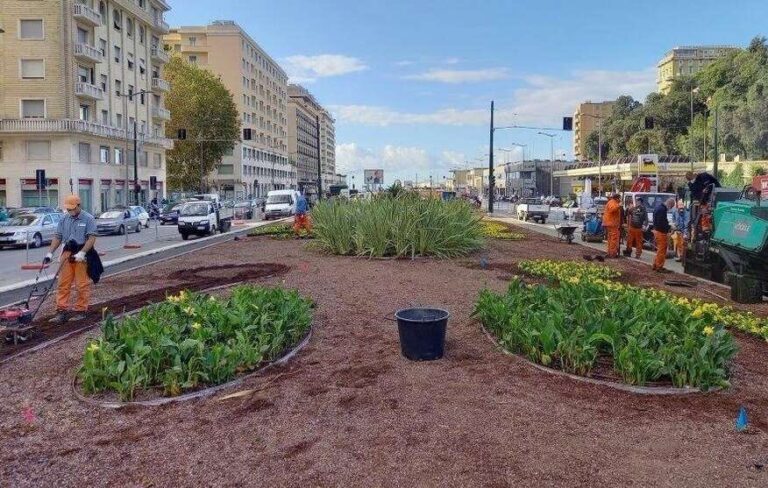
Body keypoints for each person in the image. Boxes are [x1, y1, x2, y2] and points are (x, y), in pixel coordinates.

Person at [44, 195, 98, 324]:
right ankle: (61, 311)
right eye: (68, 209)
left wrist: (82, 252)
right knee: (63, 283)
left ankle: (81, 310)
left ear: (79, 206)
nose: (70, 211)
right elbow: (58, 236)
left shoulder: (88, 219)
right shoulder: (64, 219)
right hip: (67, 253)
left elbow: (91, 238)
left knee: (81, 284)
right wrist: (50, 253)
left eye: (72, 209)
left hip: (81, 254)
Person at [652, 198, 676, 272]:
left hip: (657, 231)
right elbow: (661, 223)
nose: (670, 209)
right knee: (662, 251)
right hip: (661, 232)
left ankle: (655, 265)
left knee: (659, 250)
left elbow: (658, 221)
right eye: (671, 207)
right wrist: (670, 227)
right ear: (670, 204)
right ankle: (659, 266)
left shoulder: (658, 208)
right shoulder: (662, 210)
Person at [603, 193, 622, 258]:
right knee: (614, 238)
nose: (620, 199)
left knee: (610, 238)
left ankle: (610, 252)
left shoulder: (611, 202)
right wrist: (618, 206)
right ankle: (612, 253)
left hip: (610, 223)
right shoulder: (613, 203)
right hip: (612, 223)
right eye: (619, 198)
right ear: (617, 198)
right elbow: (612, 210)